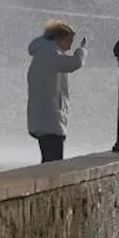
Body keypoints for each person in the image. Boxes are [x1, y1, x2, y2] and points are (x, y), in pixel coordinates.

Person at [27, 19, 87, 162]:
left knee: (50, 160)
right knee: (53, 163)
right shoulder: (48, 53)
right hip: (48, 119)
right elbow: (75, 63)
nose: (70, 46)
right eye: (69, 41)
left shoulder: (45, 52)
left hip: (45, 117)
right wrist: (82, 50)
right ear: (59, 37)